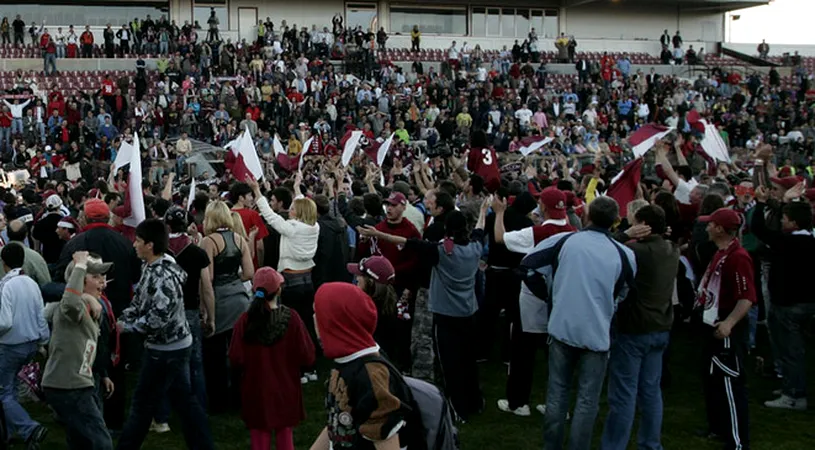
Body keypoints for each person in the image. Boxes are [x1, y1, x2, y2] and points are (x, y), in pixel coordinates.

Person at [361, 200, 490, 421]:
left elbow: (406, 242)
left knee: (449, 364)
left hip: (446, 316)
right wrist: (482, 210)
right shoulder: (475, 248)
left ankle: (457, 407)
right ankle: (474, 401)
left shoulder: (440, 252)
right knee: (468, 360)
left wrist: (380, 236)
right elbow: (480, 229)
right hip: (468, 313)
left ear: (447, 230)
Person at [528, 196, 636, 450]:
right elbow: (625, 292)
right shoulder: (625, 254)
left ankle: (551, 446)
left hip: (564, 328)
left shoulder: (566, 240)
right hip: (596, 332)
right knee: (587, 400)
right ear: (614, 221)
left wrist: (551, 296)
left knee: (558, 393)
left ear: (586, 215)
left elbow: (528, 267)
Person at [116, 219, 214, 450]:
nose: (134, 245)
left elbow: (159, 317)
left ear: (150, 245)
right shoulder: (152, 267)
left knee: (142, 405)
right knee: (184, 402)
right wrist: (122, 318)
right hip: (171, 346)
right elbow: (140, 302)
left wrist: (127, 327)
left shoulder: (162, 276)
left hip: (166, 349)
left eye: (138, 241)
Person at [600, 205, 679, 450]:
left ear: (643, 225)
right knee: (651, 391)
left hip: (634, 328)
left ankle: (615, 446)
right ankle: (650, 444)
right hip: (661, 327)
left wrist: (625, 233)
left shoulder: (635, 251)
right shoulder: (671, 249)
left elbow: (603, 248)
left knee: (624, 394)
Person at [491, 188, 576, 416]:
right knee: (558, 358)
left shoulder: (538, 232)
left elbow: (500, 238)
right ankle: (559, 406)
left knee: (522, 354)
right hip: (561, 301)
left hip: (533, 301)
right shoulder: (574, 232)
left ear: (545, 208)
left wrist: (499, 213)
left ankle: (518, 403)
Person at [310, 282, 417, 450]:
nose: (314, 319)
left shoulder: (372, 377)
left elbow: (387, 443)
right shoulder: (344, 361)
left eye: (318, 313)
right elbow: (337, 424)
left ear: (335, 323)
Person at [229, 267, 315, 450]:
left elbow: (236, 357)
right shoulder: (292, 319)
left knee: (259, 439)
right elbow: (307, 355)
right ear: (279, 289)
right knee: (285, 437)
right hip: (286, 388)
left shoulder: (245, 321)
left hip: (256, 391)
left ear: (254, 289)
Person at [248, 174, 320, 383]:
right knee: (306, 323)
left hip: (291, 281)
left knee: (291, 325)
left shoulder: (292, 228)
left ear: (299, 213)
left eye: (293, 208)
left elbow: (270, 216)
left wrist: (257, 191)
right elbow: (305, 205)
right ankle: (311, 366)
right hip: (307, 279)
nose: (290, 209)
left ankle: (297, 368)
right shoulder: (314, 227)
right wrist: (297, 187)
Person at [695, 208, 755, 449]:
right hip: (712, 324)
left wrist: (729, 323)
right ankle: (718, 427)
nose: (707, 227)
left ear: (720, 229)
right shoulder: (722, 253)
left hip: (725, 328)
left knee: (730, 384)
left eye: (711, 224)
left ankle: (738, 442)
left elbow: (747, 297)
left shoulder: (738, 257)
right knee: (713, 381)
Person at [752, 186, 815, 410]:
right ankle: (791, 386)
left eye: (785, 219)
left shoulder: (787, 242)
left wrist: (760, 203)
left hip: (787, 304)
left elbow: (758, 228)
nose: (781, 222)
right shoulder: (809, 241)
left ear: (794, 224)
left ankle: (794, 395)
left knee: (790, 351)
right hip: (805, 303)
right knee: (792, 350)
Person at [42, 250, 113, 450]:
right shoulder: (72, 309)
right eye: (96, 277)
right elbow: (69, 301)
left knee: (80, 441)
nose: (102, 282)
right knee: (101, 442)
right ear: (79, 280)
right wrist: (80, 266)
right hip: (69, 386)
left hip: (77, 384)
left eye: (103, 277)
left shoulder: (93, 305)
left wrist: (103, 373)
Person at [151, 206, 214, 433]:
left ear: (166, 225)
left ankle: (163, 418)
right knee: (195, 363)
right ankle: (197, 412)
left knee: (165, 364)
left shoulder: (159, 252)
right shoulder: (197, 252)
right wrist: (210, 315)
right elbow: (206, 287)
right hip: (190, 311)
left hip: (166, 313)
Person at [200, 200, 254, 414]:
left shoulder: (208, 241)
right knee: (239, 353)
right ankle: (240, 398)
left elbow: (208, 278)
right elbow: (249, 273)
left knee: (214, 355)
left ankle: (218, 401)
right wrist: (234, 279)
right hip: (240, 299)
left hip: (219, 299)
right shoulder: (240, 239)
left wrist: (207, 312)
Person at [0, 243, 50, 448]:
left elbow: (4, 322)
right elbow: (41, 315)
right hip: (31, 345)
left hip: (10, 346)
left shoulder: (6, 286)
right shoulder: (31, 283)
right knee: (10, 392)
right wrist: (43, 341)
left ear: (4, 263)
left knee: (4, 393)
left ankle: (29, 427)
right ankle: (12, 433)